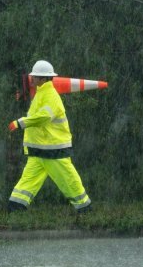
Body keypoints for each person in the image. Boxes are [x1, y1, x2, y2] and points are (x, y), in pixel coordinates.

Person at [7, 60, 92, 213]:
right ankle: (14, 209)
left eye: (35, 76)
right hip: (40, 150)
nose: (31, 79)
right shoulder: (41, 93)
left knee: (69, 181)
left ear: (43, 79)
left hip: (53, 150)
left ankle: (85, 209)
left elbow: (44, 117)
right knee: (27, 183)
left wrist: (20, 123)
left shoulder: (51, 96)